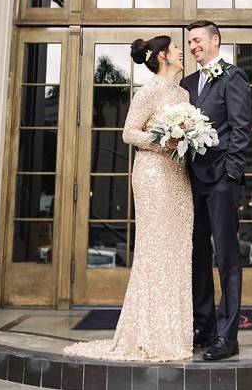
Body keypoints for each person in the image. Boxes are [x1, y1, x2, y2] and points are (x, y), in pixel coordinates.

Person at [63, 36, 193, 362]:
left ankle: (173, 334)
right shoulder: (148, 91)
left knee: (178, 252)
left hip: (179, 176)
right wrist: (164, 138)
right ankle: (147, 335)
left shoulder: (184, 94)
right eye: (177, 49)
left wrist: (190, 137)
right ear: (164, 55)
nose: (181, 52)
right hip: (153, 175)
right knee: (155, 249)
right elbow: (128, 132)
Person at [180, 20, 252, 361]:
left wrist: (231, 174)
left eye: (197, 40)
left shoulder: (232, 76)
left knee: (226, 258)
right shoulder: (187, 83)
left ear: (215, 41)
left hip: (222, 181)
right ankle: (204, 327)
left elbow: (241, 126)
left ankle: (228, 336)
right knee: (198, 257)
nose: (193, 45)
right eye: (190, 41)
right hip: (192, 180)